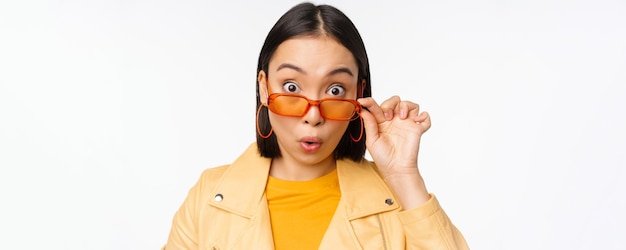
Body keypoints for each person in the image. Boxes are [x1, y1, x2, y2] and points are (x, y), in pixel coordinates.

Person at [163, 2, 468, 249]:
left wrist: (404, 177)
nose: (313, 115)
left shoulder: (394, 200)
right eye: (292, 87)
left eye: (335, 90)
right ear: (264, 89)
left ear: (358, 94)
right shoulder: (209, 197)